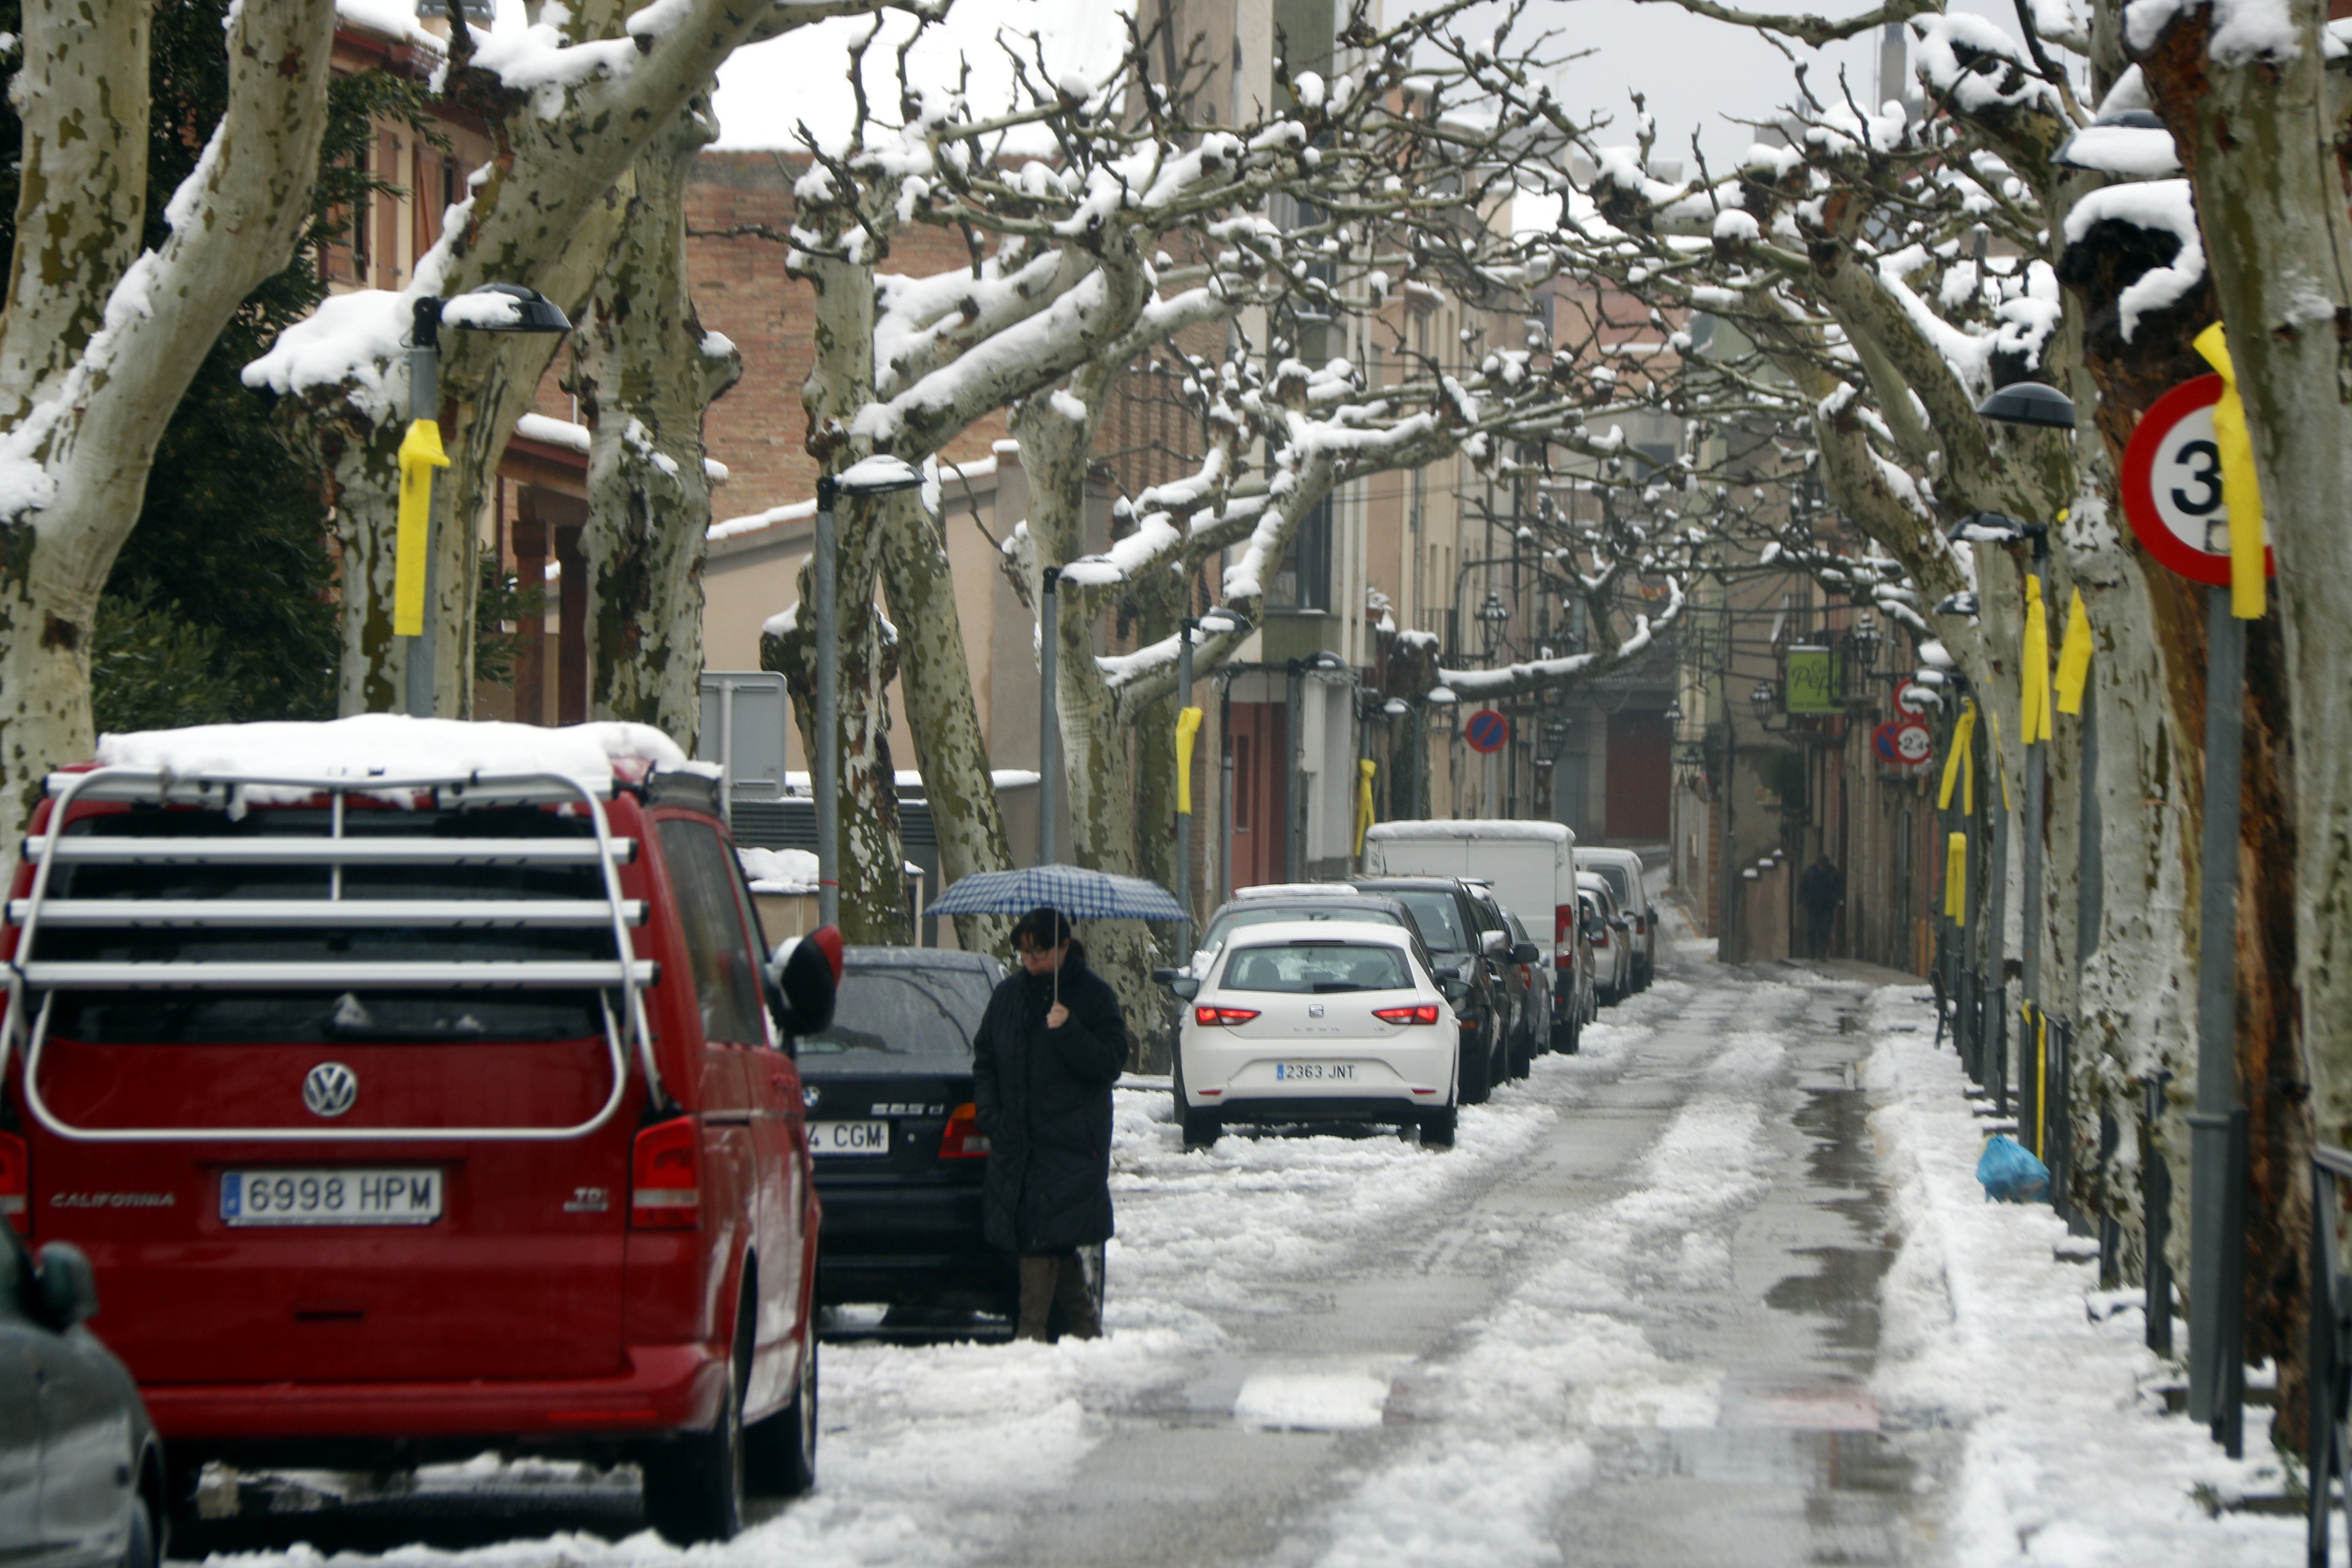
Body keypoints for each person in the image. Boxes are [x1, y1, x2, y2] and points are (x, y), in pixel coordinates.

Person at [971, 906, 1131, 1342]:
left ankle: (1031, 1336)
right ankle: (1084, 1330)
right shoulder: (1008, 997)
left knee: (1041, 1239)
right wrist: (992, 1116)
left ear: (1064, 947)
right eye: (1024, 954)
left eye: (1039, 953)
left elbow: (1110, 1062)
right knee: (1046, 1238)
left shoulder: (1092, 997)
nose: (1031, 962)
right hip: (1018, 1144)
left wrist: (1070, 1030)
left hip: (1072, 1146)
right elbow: (985, 1058)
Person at [1797, 854, 1845, 960]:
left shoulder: (1833, 873)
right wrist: (1801, 901)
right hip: (1813, 907)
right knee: (1811, 929)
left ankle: (1822, 954)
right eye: (1821, 864)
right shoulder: (1811, 872)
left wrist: (1838, 898)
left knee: (1825, 930)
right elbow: (1803, 887)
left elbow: (1840, 886)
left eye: (1824, 864)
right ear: (1818, 864)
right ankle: (1812, 953)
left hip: (1827, 907)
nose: (1823, 867)